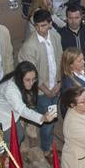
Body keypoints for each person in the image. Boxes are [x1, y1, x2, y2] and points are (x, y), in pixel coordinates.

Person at [17, 9, 63, 151]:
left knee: (53, 118)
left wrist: (59, 83)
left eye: (43, 25)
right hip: (41, 92)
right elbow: (31, 74)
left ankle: (47, 140)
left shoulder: (55, 36)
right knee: (47, 122)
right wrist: (47, 91)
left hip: (55, 87)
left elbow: (61, 59)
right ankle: (46, 149)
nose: (39, 29)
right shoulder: (29, 46)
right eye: (37, 25)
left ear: (50, 24)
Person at [0, 60, 52, 141]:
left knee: (19, 135)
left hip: (8, 111)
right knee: (10, 140)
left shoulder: (17, 80)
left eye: (34, 79)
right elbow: (22, 110)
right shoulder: (10, 89)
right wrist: (42, 118)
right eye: (28, 80)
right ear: (19, 77)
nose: (31, 83)